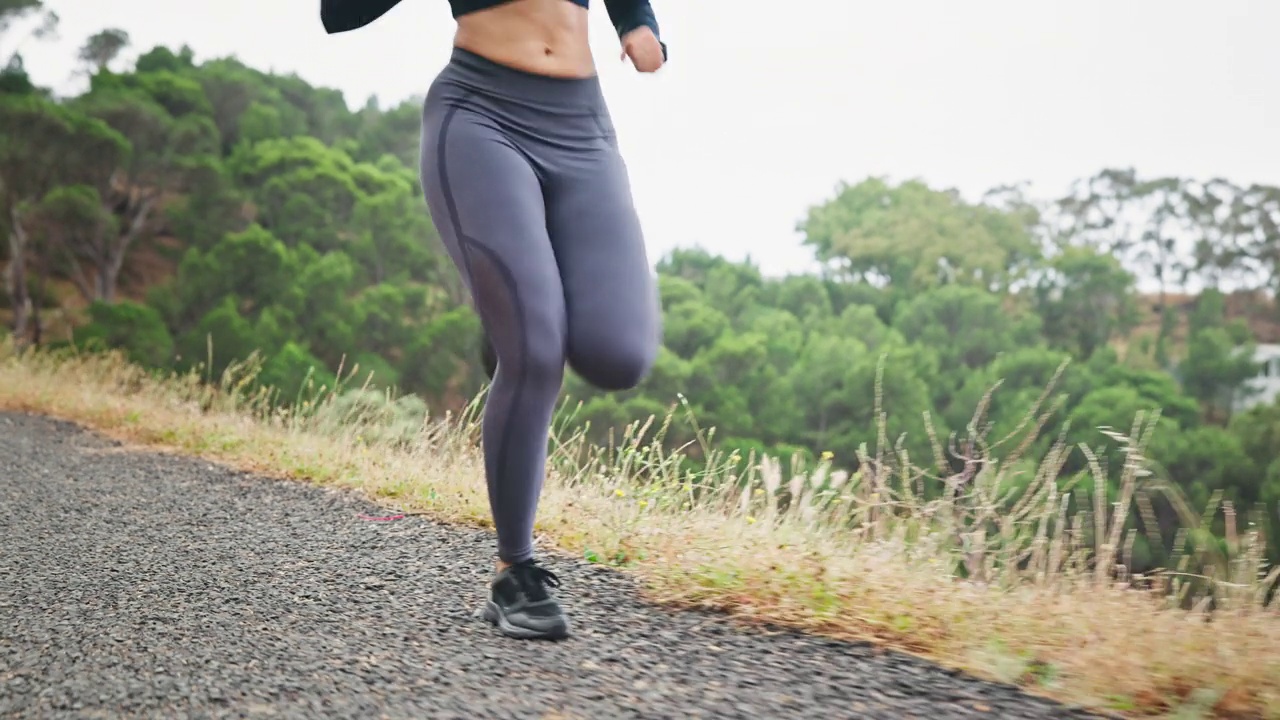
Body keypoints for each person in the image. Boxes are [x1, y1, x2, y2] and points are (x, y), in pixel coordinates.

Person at [321, 0, 667, 640]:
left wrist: (639, 24)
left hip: (582, 124)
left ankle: (509, 311)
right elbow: (336, 14)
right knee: (536, 352)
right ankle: (516, 573)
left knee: (619, 355)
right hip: (481, 115)